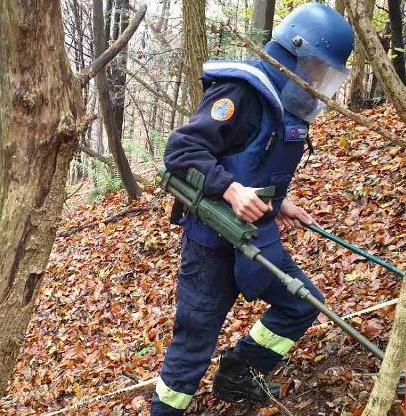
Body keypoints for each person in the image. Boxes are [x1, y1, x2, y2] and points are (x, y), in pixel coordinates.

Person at [151, 4, 355, 415]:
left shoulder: (287, 102)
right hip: (210, 245)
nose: (317, 81)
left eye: (324, 73)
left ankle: (239, 373)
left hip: (256, 237)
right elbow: (182, 151)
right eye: (314, 67)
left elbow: (253, 160)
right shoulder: (240, 92)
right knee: (194, 345)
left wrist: (280, 204)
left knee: (302, 304)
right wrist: (230, 191)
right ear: (293, 51)